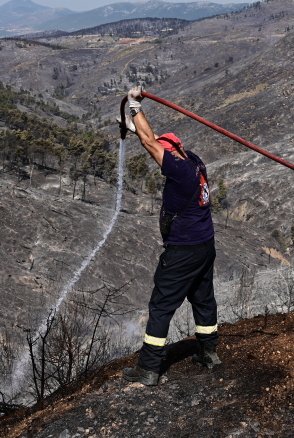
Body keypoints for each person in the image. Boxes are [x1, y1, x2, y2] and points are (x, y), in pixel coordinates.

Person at [119, 87, 221, 386]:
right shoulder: (194, 162)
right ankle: (208, 354)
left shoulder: (179, 172)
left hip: (183, 251)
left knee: (161, 306)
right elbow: (151, 143)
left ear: (169, 153)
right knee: (203, 300)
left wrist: (135, 106)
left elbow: (151, 144)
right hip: (205, 246)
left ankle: (149, 368)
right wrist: (133, 127)